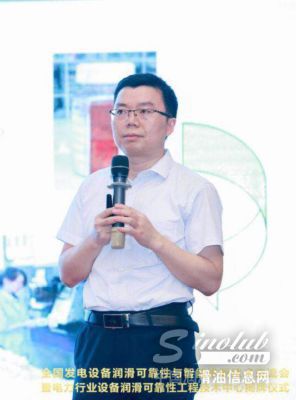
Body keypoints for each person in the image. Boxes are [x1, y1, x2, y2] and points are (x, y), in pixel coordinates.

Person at [57, 73, 223, 399]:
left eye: (144, 111)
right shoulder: (91, 187)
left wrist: (154, 240)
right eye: (121, 111)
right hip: (99, 341)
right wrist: (95, 239)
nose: (130, 120)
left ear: (170, 124)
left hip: (163, 340)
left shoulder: (194, 189)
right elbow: (68, 274)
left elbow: (210, 279)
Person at [0, 267, 40, 360]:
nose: (21, 286)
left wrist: (31, 320)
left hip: (18, 348)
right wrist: (24, 324)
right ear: (6, 281)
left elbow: (20, 317)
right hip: (1, 351)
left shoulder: (17, 299)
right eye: (19, 282)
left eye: (22, 283)